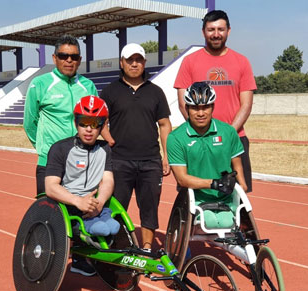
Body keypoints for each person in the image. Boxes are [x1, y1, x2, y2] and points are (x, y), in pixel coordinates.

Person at [100, 43, 172, 252]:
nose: (134, 64)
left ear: (144, 62)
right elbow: (100, 121)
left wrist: (166, 156)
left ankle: (147, 247)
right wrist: (110, 141)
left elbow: (165, 124)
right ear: (121, 63)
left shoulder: (155, 92)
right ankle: (118, 246)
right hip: (119, 161)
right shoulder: (110, 91)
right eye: (129, 60)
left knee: (149, 208)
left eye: (138, 60)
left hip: (150, 160)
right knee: (116, 207)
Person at [174, 10, 256, 192]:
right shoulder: (189, 62)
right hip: (197, 141)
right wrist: (204, 134)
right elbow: (182, 103)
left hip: (235, 139)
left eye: (221, 29)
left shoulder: (242, 62)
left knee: (238, 194)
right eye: (211, 29)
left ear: (229, 31)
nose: (216, 34)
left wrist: (227, 135)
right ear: (203, 32)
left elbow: (246, 104)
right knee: (194, 194)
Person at [45, 95, 118, 276]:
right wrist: (78, 201)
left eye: (95, 124)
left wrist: (99, 202)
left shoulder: (104, 149)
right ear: (76, 122)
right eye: (84, 122)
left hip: (95, 204)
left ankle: (93, 245)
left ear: (102, 126)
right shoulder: (60, 148)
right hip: (69, 204)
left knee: (112, 224)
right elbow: (50, 186)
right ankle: (79, 248)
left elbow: (108, 180)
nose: (88, 129)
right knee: (89, 222)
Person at [24, 34, 98, 195]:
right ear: (55, 58)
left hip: (82, 162)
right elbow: (30, 123)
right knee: (48, 215)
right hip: (49, 163)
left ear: (79, 59)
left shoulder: (88, 86)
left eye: (74, 56)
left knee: (82, 214)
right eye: (64, 56)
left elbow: (96, 121)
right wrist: (45, 149)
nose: (69, 60)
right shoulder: (40, 84)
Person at [167, 82, 247, 228]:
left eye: (205, 107)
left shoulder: (228, 132)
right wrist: (214, 183)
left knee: (227, 222)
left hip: (226, 198)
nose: (201, 113)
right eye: (195, 108)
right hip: (195, 199)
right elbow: (182, 179)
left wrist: (242, 188)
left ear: (213, 107)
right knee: (209, 221)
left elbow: (237, 165)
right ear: (187, 108)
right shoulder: (175, 138)